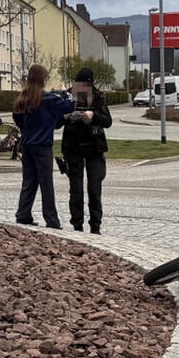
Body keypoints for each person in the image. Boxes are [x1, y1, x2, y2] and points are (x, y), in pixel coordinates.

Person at [13, 64, 74, 228]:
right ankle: (51, 219)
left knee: (29, 181)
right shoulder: (47, 99)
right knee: (46, 183)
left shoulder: (22, 100)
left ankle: (23, 214)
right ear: (43, 80)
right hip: (42, 146)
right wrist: (65, 92)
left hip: (27, 145)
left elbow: (18, 120)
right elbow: (70, 105)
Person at [61, 66, 112, 234]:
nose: (82, 89)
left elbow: (107, 120)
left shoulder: (97, 96)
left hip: (94, 148)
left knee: (94, 189)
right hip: (74, 147)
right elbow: (58, 120)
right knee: (76, 190)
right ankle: (77, 225)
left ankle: (95, 226)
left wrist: (93, 115)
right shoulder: (69, 95)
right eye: (79, 85)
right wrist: (68, 116)